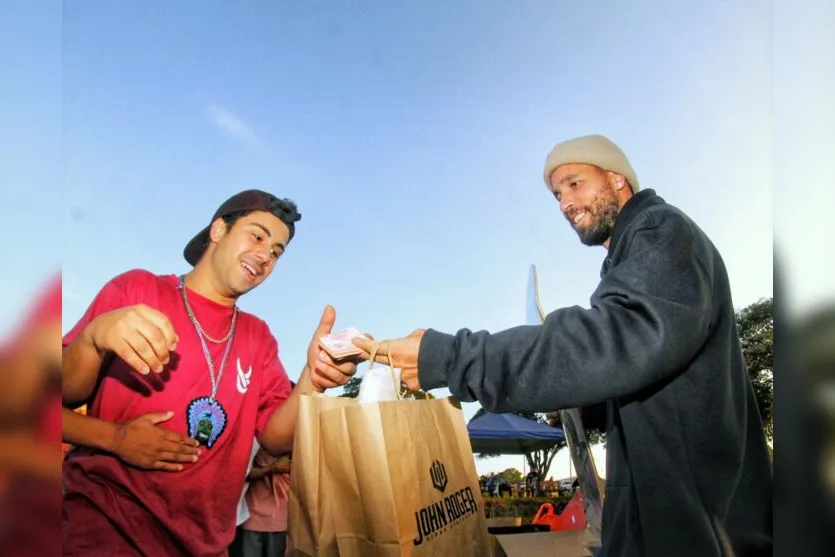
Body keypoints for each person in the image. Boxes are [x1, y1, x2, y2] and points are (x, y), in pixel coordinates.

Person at [353, 135, 773, 556]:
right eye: (557, 194)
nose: (564, 204)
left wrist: (448, 357)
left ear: (616, 178)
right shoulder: (628, 259)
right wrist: (584, 410)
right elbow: (648, 369)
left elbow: (615, 339)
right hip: (660, 519)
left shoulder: (662, 230)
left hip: (697, 525)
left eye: (574, 184)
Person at [62, 190, 359, 556]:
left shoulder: (259, 337)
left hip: (206, 546)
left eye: (277, 251)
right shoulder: (138, 289)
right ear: (219, 229)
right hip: (106, 528)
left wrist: (314, 378)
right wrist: (94, 344)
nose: (266, 255)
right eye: (257, 235)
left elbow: (275, 438)